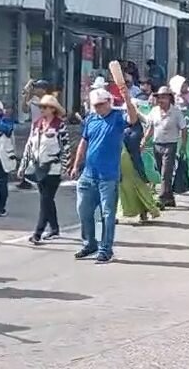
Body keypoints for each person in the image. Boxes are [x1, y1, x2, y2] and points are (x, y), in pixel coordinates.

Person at [69, 70, 138, 264]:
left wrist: (128, 99)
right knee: (83, 210)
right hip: (88, 174)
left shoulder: (117, 117)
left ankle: (106, 249)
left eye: (101, 104)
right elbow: (84, 143)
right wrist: (76, 165)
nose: (98, 108)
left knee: (107, 214)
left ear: (109, 102)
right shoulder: (91, 119)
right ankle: (89, 243)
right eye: (96, 105)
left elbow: (133, 120)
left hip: (108, 176)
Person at [17, 95, 71, 245]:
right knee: (47, 200)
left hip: (53, 168)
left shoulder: (59, 125)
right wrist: (22, 166)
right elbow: (29, 145)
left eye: (45, 107)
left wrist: (65, 168)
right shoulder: (37, 124)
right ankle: (54, 228)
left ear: (53, 109)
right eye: (41, 107)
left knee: (45, 199)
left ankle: (38, 233)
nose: (42, 110)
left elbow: (66, 148)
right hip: (38, 167)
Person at [142, 86, 188, 208]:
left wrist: (183, 145)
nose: (160, 100)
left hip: (170, 145)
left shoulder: (176, 112)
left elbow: (184, 129)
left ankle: (161, 198)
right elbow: (150, 128)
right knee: (160, 170)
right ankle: (170, 198)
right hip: (157, 144)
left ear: (169, 98)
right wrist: (143, 141)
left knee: (166, 173)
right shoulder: (154, 111)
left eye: (163, 97)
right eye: (159, 98)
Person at [119, 111, 161, 224]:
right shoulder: (121, 127)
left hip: (135, 162)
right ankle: (118, 213)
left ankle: (146, 210)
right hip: (122, 162)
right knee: (122, 188)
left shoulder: (137, 129)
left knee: (140, 186)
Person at [18, 79, 51, 190]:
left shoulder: (49, 101)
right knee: (28, 154)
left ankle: (44, 178)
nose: (36, 89)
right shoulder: (34, 99)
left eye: (38, 87)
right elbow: (25, 109)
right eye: (35, 87)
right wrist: (26, 94)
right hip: (34, 131)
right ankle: (25, 179)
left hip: (45, 132)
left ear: (44, 90)